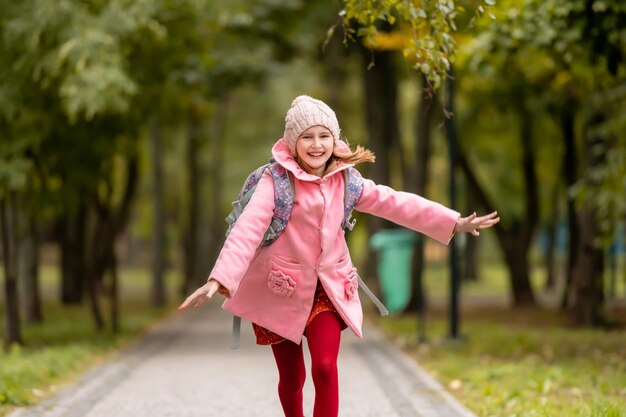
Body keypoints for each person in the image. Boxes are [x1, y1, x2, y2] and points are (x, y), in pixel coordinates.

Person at [178, 95, 499, 417]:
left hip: (327, 288)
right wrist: (218, 278)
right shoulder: (275, 181)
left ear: (334, 139)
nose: (316, 145)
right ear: (293, 142)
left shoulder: (347, 180)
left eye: (323, 136)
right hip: (280, 288)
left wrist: (453, 222)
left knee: (325, 367)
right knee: (292, 379)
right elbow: (248, 229)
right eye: (307, 137)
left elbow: (395, 203)